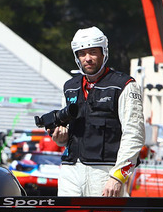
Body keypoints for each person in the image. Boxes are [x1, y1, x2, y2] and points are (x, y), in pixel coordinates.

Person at [49, 26, 144, 197]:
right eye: (82, 53)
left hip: (104, 173)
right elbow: (69, 134)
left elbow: (134, 134)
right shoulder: (70, 87)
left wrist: (118, 176)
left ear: (103, 53)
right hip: (70, 171)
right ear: (76, 56)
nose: (87, 58)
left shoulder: (125, 85)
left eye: (93, 52)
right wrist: (61, 138)